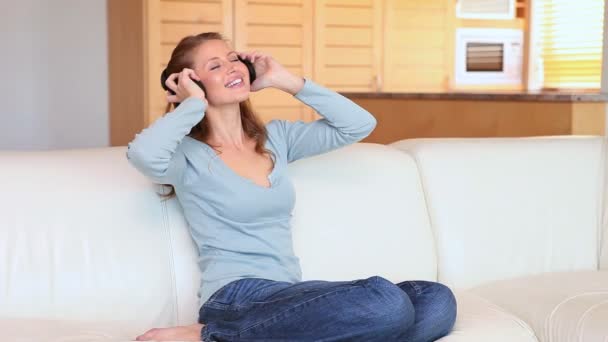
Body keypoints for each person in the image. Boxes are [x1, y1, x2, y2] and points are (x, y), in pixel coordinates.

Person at [126, 32, 456, 342]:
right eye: (215, 66)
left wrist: (283, 80)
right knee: (387, 304)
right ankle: (212, 334)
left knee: (436, 300)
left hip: (287, 297)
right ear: (191, 82)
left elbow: (359, 125)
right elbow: (143, 155)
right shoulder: (187, 155)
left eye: (233, 58)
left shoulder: (277, 139)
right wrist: (192, 105)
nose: (233, 68)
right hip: (236, 299)